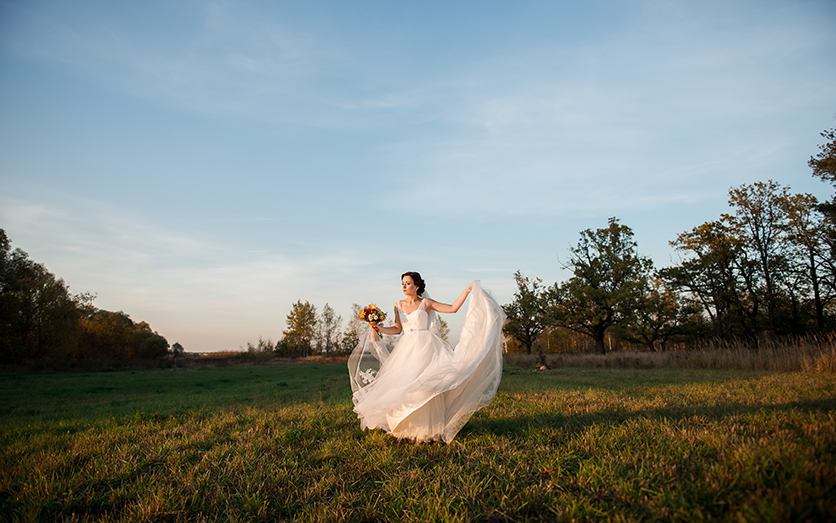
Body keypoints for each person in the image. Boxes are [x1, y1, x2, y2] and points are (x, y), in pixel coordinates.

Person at [348, 272, 506, 443]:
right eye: (402, 283)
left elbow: (452, 308)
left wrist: (468, 290)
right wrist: (378, 328)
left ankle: (428, 429)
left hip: (427, 347)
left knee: (427, 384)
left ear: (417, 286)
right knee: (405, 385)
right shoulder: (398, 305)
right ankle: (408, 427)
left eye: (408, 283)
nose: (404, 286)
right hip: (407, 348)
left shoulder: (426, 303)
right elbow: (397, 329)